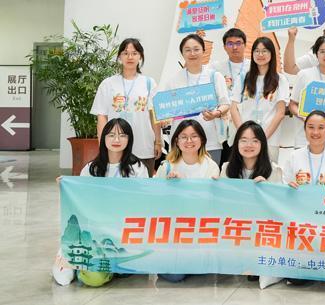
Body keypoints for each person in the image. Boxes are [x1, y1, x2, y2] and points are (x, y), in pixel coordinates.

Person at [53, 118, 148, 287]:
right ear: (103, 138)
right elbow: (79, 201)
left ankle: (103, 266)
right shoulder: (92, 168)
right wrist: (66, 186)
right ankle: (77, 262)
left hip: (125, 233)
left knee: (132, 267)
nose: (117, 139)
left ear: (130, 139)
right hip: (97, 234)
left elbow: (143, 202)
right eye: (111, 135)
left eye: (122, 135)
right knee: (93, 279)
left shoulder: (138, 168)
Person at [154, 119, 220, 283]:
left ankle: (191, 262)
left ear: (202, 139)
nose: (189, 141)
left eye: (194, 136)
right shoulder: (167, 166)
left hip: (200, 230)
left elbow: (211, 204)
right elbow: (156, 201)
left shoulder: (211, 166)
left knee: (204, 270)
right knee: (174, 276)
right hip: (174, 231)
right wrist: (170, 188)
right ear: (176, 141)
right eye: (183, 137)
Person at [152, 34, 230, 164]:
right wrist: (164, 118)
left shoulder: (214, 76)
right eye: (187, 50)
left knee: (210, 175)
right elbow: (164, 109)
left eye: (196, 49)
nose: (192, 53)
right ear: (182, 53)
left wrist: (216, 113)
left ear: (203, 51)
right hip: (181, 143)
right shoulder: (173, 80)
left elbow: (225, 103)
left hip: (209, 141)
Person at [91, 38, 158, 176]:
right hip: (115, 149)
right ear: (119, 57)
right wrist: (103, 145)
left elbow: (154, 116)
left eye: (134, 53)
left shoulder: (149, 83)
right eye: (125, 53)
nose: (130, 57)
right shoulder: (108, 84)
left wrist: (158, 141)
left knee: (144, 185)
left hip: (143, 146)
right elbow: (102, 116)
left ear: (140, 56)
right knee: (116, 186)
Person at [229, 37, 289, 163]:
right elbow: (233, 109)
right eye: (257, 51)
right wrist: (243, 135)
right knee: (243, 172)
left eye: (264, 51)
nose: (260, 54)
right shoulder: (244, 78)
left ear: (271, 54)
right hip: (245, 140)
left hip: (269, 139)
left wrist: (262, 138)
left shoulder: (280, 80)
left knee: (267, 172)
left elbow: (280, 113)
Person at [289, 35, 325, 150]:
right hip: (304, 140)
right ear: (316, 54)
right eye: (322, 51)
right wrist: (306, 118)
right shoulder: (304, 75)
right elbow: (292, 105)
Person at [211, 28, 251, 165]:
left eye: (238, 43)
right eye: (230, 43)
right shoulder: (215, 68)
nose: (234, 47)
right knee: (224, 164)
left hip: (245, 121)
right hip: (223, 122)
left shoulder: (253, 67)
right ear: (224, 47)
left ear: (245, 45)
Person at [282, 111, 325, 187]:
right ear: (305, 130)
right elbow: (285, 186)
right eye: (311, 127)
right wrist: (289, 188)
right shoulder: (294, 156)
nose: (315, 132)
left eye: (321, 128)